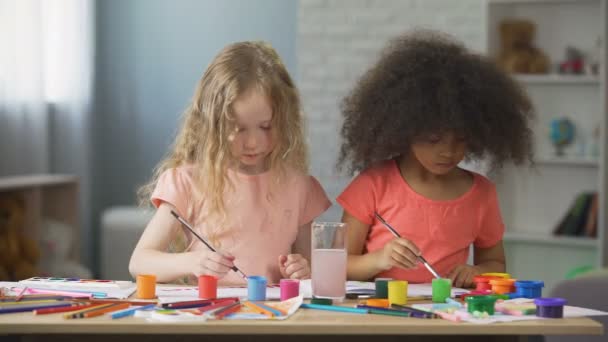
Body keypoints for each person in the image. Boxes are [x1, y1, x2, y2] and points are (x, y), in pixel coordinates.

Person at [336, 30, 534, 288]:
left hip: (448, 316)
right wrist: (380, 259)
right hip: (383, 314)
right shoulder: (373, 184)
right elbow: (337, 266)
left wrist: (477, 272)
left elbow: (496, 264)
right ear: (405, 129)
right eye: (433, 139)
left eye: (461, 139)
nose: (448, 151)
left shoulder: (481, 193)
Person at [129, 41, 331, 286]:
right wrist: (192, 262)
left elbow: (313, 270)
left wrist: (303, 270)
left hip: (276, 318)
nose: (253, 142)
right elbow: (140, 263)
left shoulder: (300, 187)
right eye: (238, 129)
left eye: (266, 127)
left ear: (284, 121)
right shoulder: (187, 182)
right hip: (210, 318)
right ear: (212, 123)